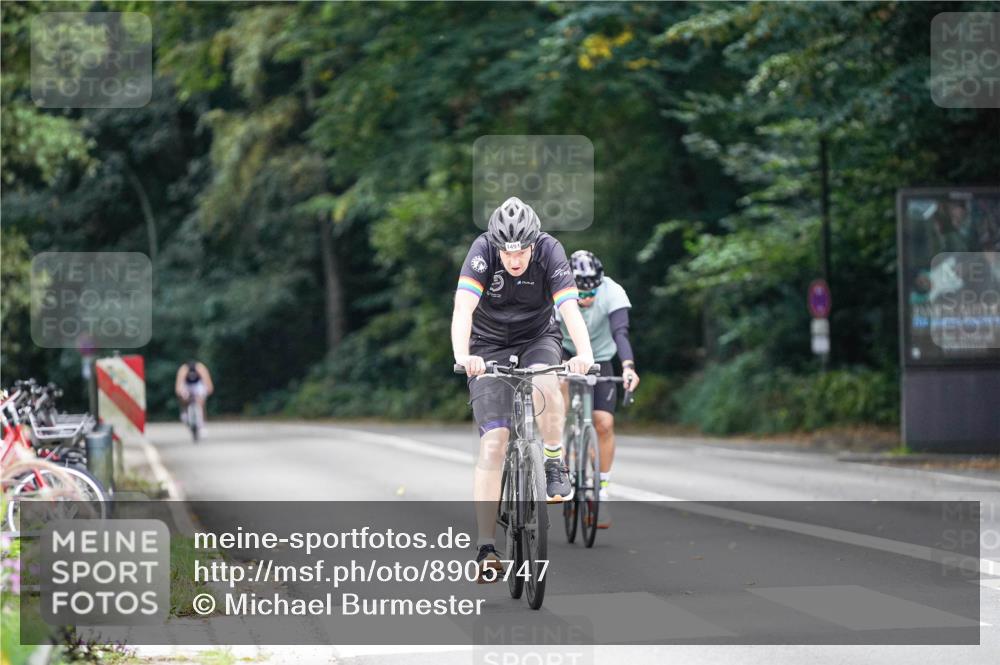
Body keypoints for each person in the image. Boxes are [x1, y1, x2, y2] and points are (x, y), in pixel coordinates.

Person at [452, 196, 595, 581]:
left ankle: (552, 460)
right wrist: (464, 356)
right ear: (497, 247)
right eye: (508, 252)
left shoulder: (550, 251)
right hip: (487, 345)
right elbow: (463, 308)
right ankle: (485, 547)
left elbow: (568, 309)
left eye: (521, 251)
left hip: (537, 336)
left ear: (534, 243)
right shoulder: (483, 251)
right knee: (494, 441)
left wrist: (584, 353)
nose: (514, 260)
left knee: (547, 380)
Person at [556, 250, 639, 529]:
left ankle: (602, 491)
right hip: (566, 354)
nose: (587, 299)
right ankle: (561, 453)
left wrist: (628, 366)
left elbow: (621, 332)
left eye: (592, 292)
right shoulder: (556, 291)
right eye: (582, 293)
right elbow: (548, 332)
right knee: (560, 392)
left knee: (604, 423)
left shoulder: (612, 291)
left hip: (601, 359)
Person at [174, 360, 213, 427]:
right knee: (183, 396)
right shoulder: (183, 370)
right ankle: (185, 411)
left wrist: (203, 395)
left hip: (198, 385)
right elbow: (178, 387)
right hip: (187, 385)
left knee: (201, 401)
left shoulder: (201, 369)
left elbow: (209, 385)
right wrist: (182, 395)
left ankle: (202, 422)